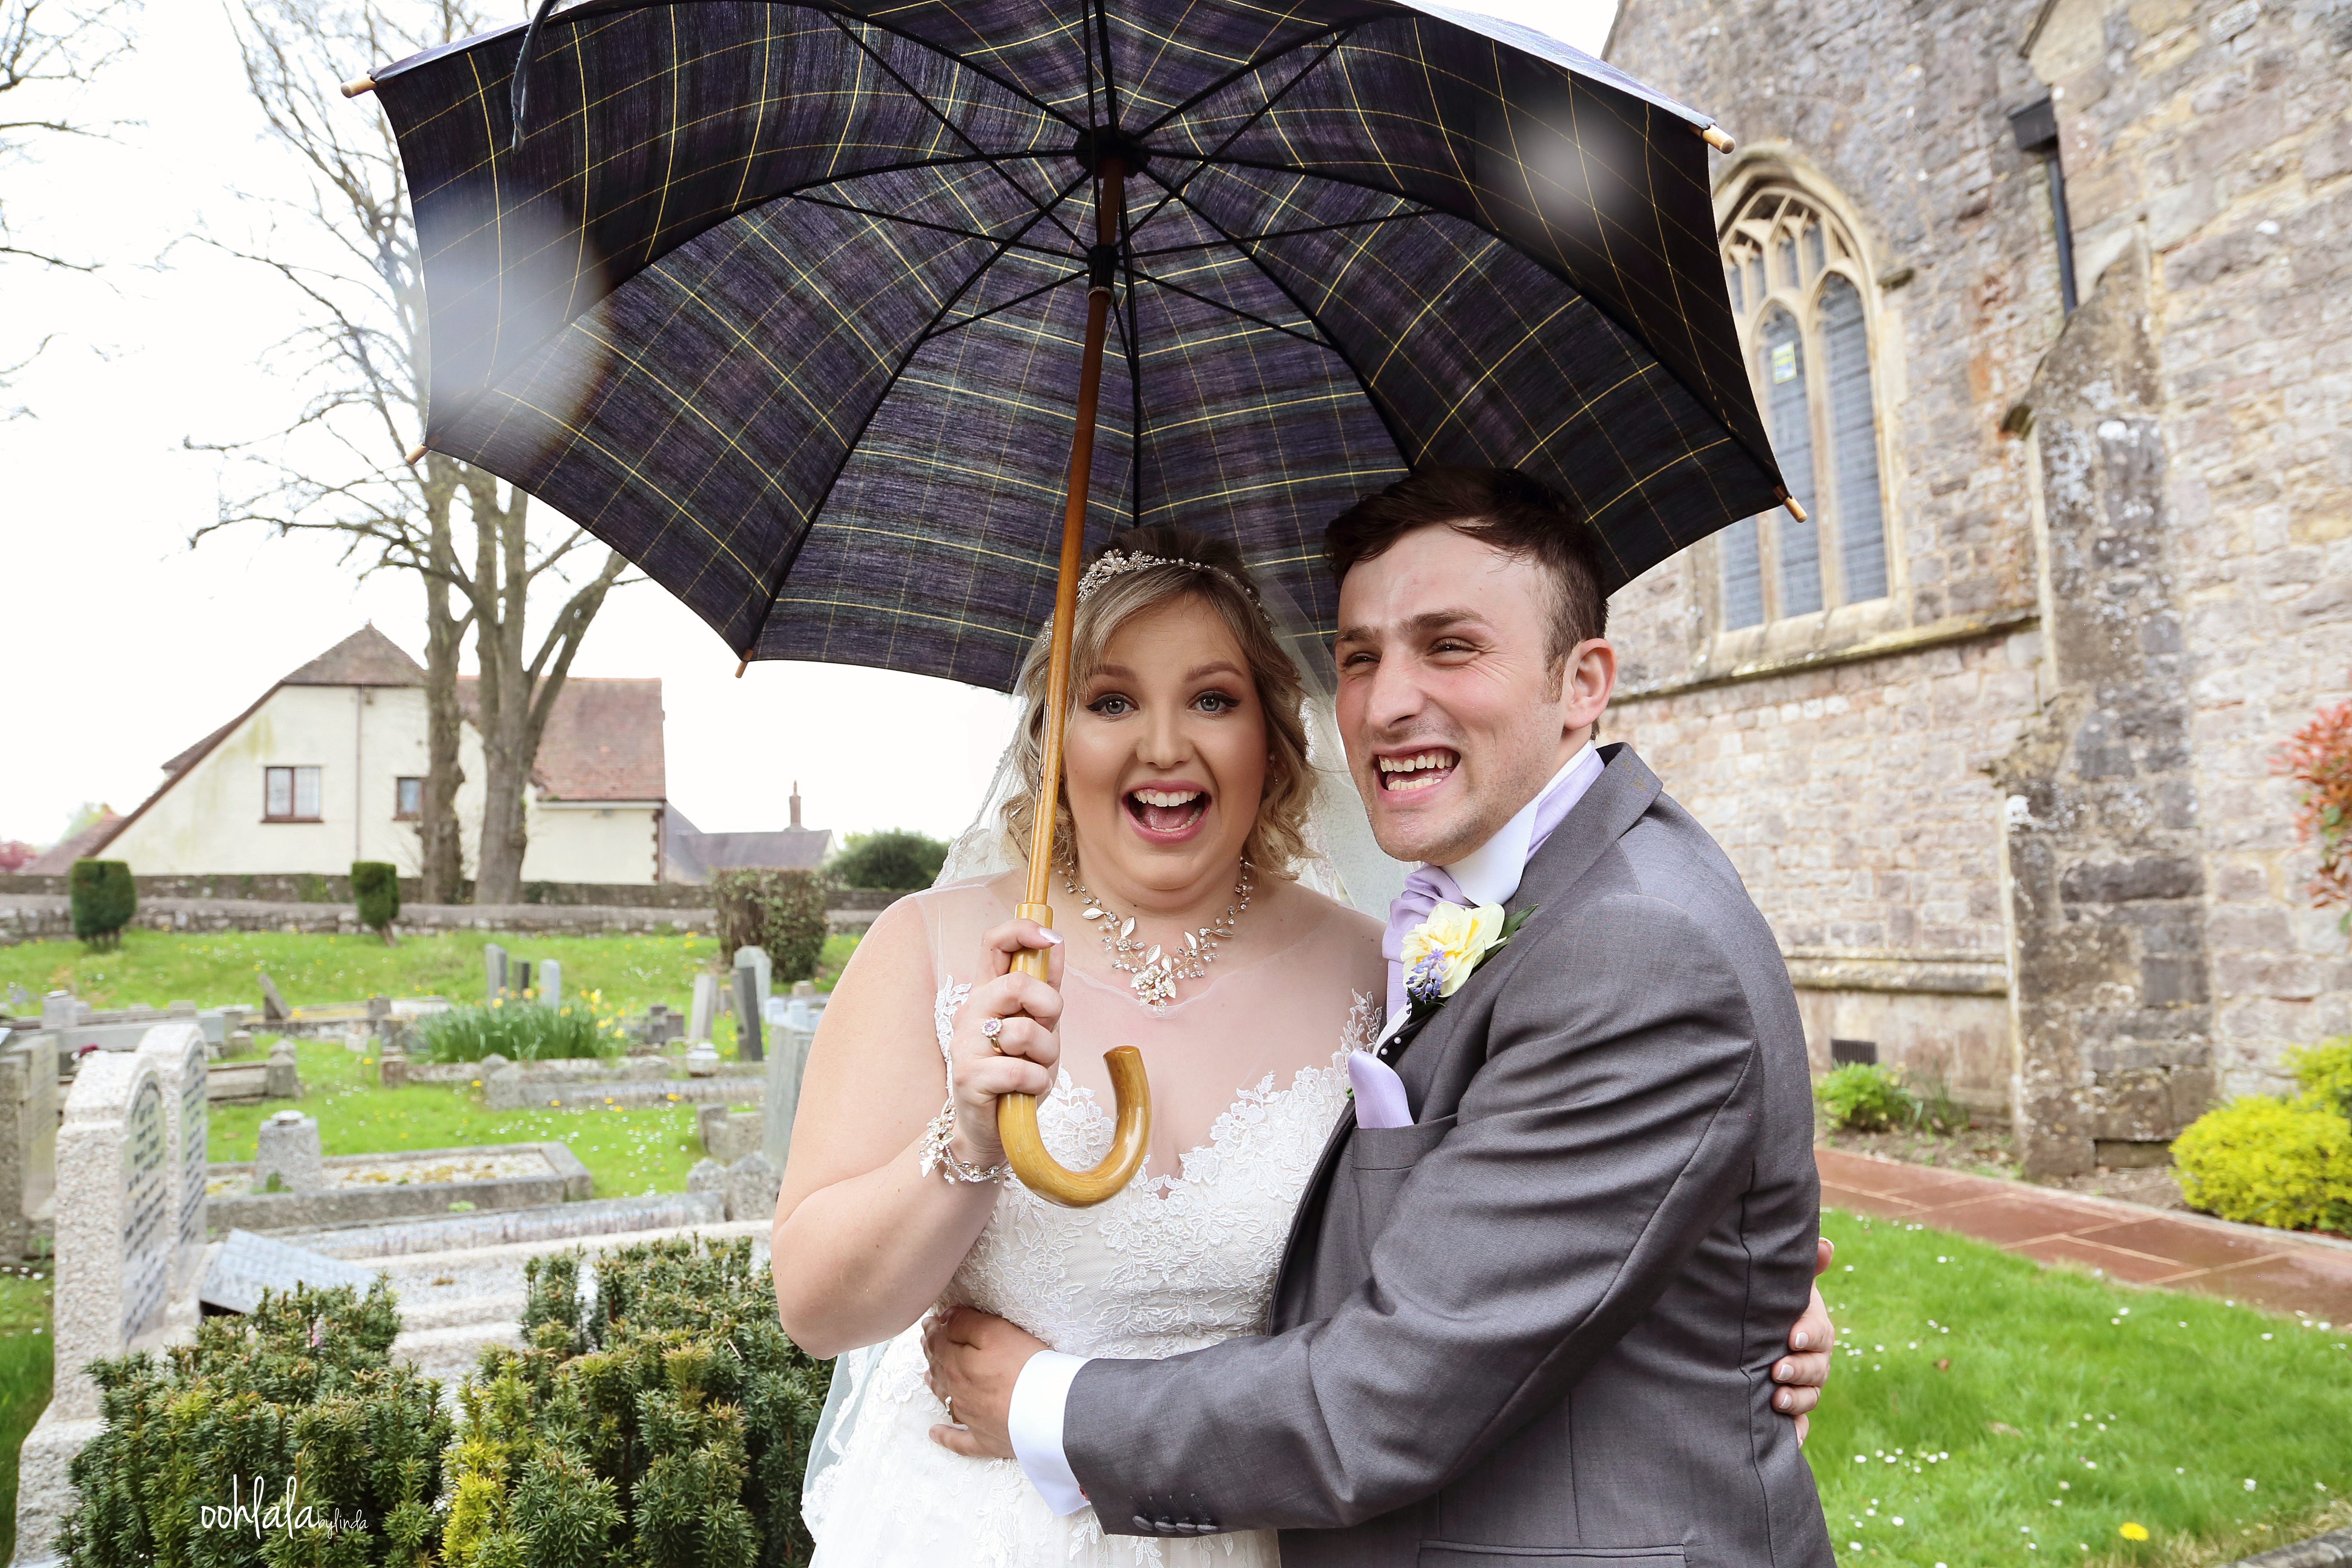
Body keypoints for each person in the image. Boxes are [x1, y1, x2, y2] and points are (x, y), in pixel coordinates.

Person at [776, 516, 1831, 1568]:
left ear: (1271, 737)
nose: (1162, 745)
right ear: (1055, 739)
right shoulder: (935, 950)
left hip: (1258, 1519)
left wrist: (1699, 1286)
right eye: (1109, 701)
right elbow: (818, 1310)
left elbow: (1485, 1263)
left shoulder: (1378, 969)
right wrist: (968, 1135)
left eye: (1212, 699)